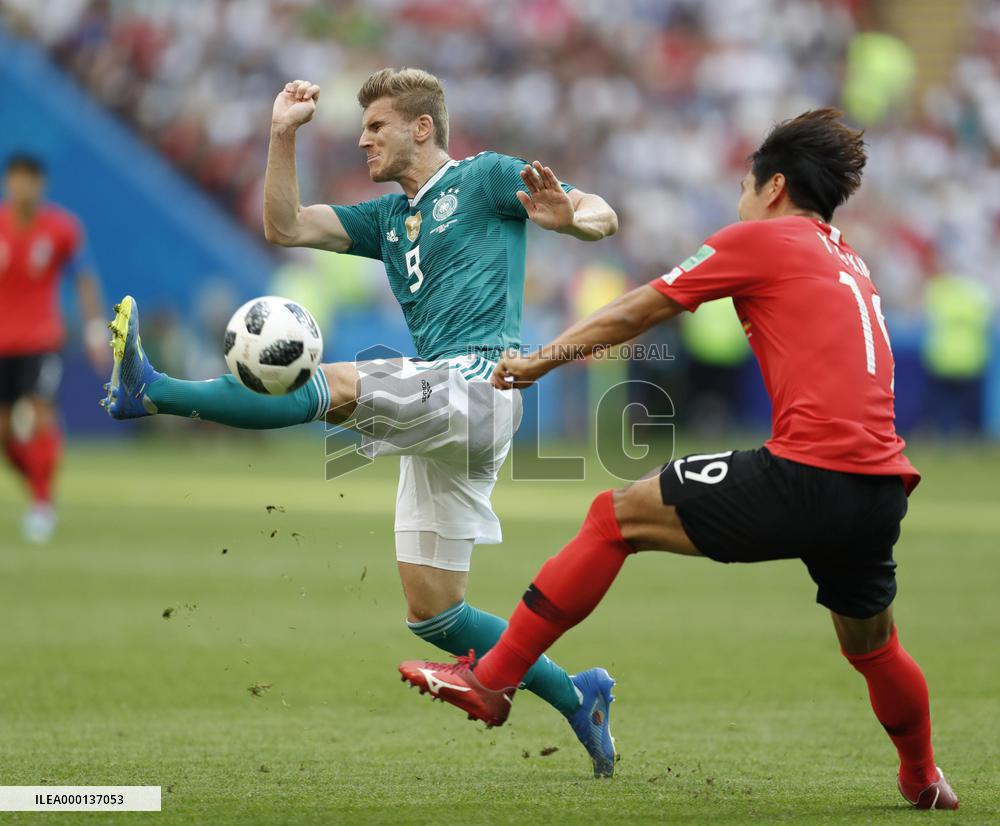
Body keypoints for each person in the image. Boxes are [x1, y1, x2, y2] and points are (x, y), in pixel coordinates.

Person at [398, 109, 958, 809]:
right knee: (873, 647)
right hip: (879, 487)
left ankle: (492, 680)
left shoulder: (764, 239)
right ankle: (922, 777)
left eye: (746, 188)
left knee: (613, 517)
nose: (740, 202)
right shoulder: (848, 256)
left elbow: (640, 309)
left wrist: (539, 362)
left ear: (774, 186)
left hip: (810, 471)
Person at [102, 68, 622, 776]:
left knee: (334, 384)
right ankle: (578, 695)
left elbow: (602, 212)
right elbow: (285, 225)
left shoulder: (486, 179)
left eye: (375, 125)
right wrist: (282, 136)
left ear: (421, 127)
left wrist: (574, 220)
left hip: (480, 382)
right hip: (446, 405)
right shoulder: (385, 219)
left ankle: (154, 392)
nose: (361, 138)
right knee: (435, 614)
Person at [0, 154, 106, 543]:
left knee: (41, 413)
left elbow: (85, 279)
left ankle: (42, 504)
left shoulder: (61, 228)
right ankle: (37, 484)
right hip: (2, 342)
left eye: (29, 180)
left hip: (41, 339)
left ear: (40, 185)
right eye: (15, 179)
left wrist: (96, 330)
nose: (21, 187)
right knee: (5, 434)